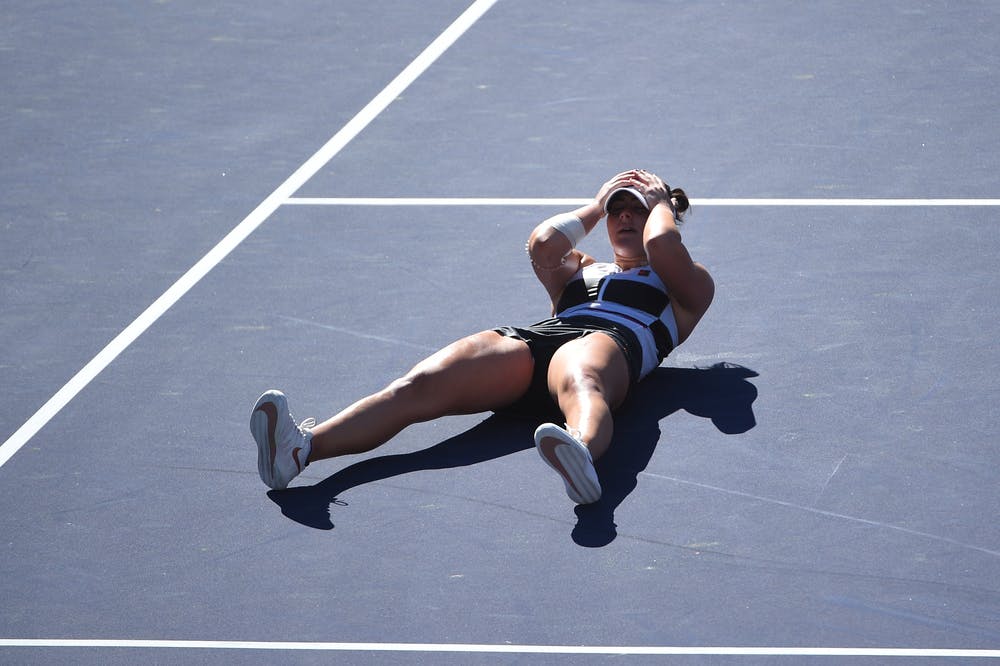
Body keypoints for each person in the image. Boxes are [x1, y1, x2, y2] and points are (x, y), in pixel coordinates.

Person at [251, 169, 714, 504]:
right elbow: (542, 245)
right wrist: (597, 204)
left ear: (662, 214)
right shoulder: (584, 267)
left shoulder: (686, 285)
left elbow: (661, 246)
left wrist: (659, 204)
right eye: (619, 211)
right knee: (417, 387)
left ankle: (582, 454)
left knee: (584, 380)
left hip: (607, 344)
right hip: (534, 346)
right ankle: (298, 450)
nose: (626, 218)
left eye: (638, 210)